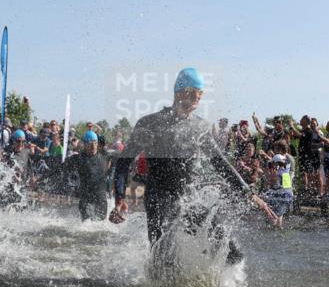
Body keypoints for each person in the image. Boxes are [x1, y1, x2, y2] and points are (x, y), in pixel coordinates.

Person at [110, 67, 276, 266]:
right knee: (162, 261)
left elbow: (220, 163)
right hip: (158, 199)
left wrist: (248, 193)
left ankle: (217, 282)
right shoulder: (150, 124)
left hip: (188, 199)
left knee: (233, 253)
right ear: (179, 93)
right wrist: (119, 198)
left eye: (200, 93)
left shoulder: (200, 128)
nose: (198, 97)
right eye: (193, 92)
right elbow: (123, 162)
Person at [75, 130, 110, 221]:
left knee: (101, 222)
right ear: (85, 144)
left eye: (95, 143)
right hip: (85, 195)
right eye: (90, 143)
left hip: (100, 195)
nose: (93, 146)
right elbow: (60, 168)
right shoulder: (78, 159)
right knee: (86, 223)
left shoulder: (104, 156)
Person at [262, 145, 294, 228]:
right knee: (279, 216)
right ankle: (279, 229)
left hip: (280, 193)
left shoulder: (277, 166)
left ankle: (272, 230)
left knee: (274, 216)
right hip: (286, 193)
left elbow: (272, 179)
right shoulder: (287, 163)